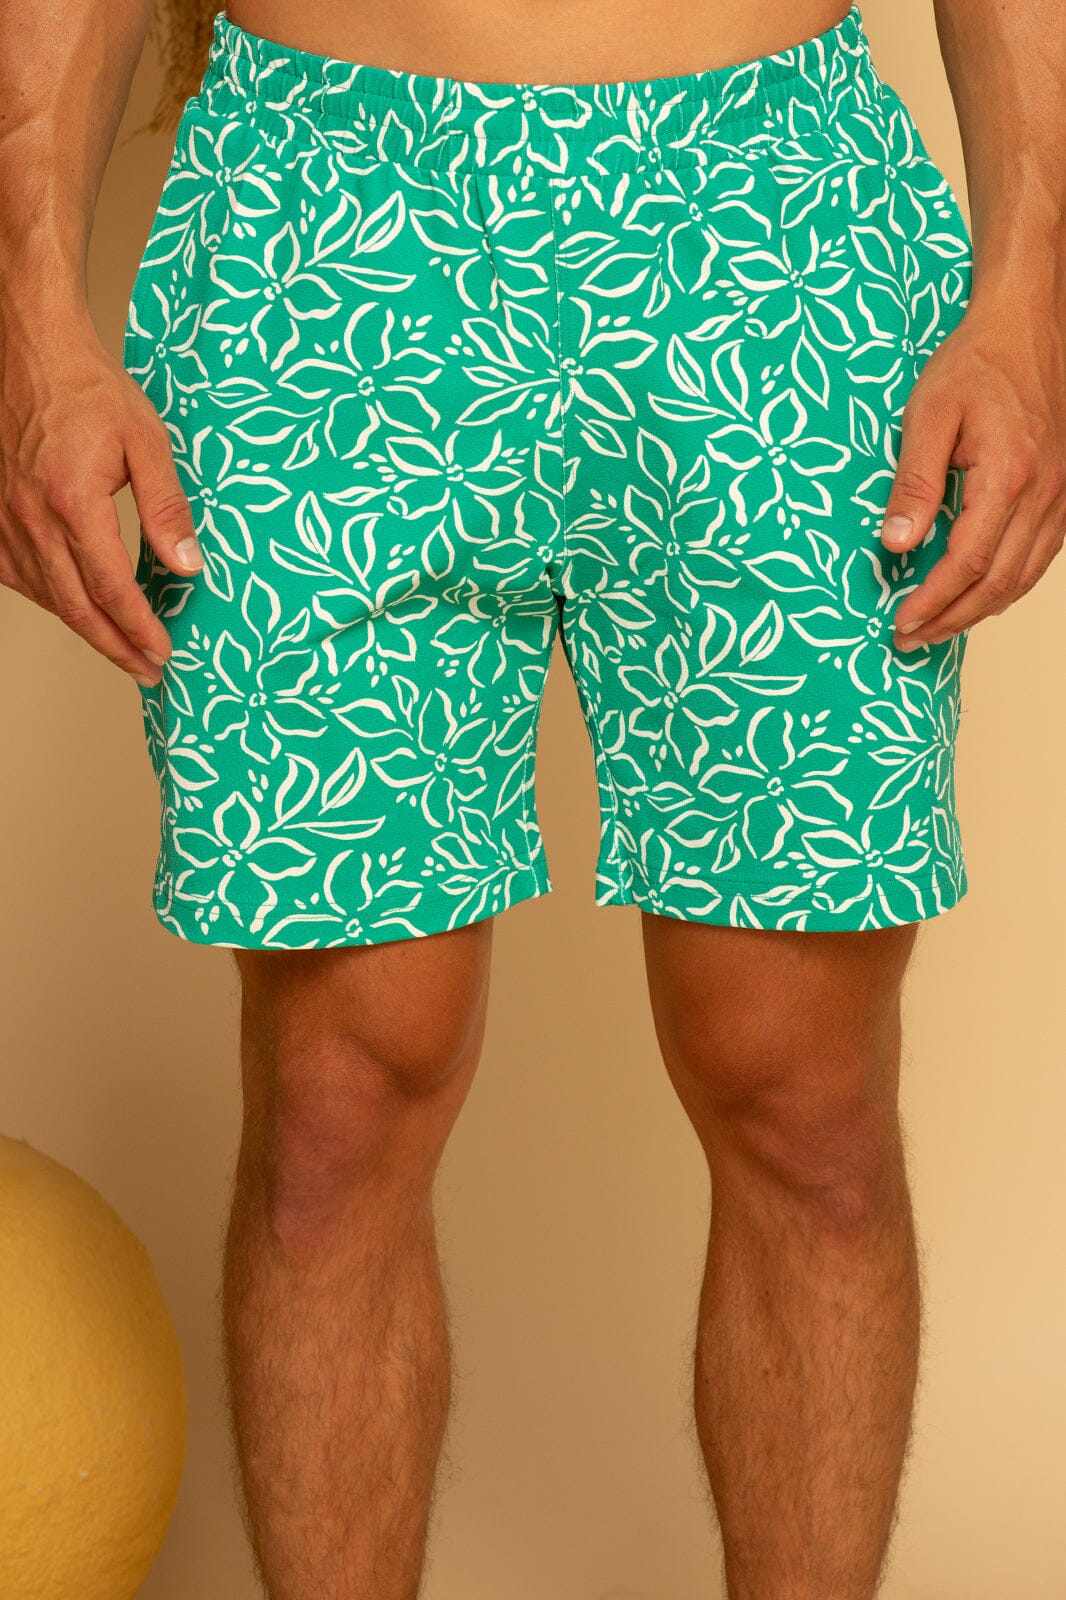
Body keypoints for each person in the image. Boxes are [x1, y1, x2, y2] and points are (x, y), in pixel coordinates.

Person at [0, 0, 1062, 1595]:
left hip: (772, 232)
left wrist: (1030, 295)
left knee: (801, 1091)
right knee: (337, 1098)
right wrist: (31, 320)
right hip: (321, 245)